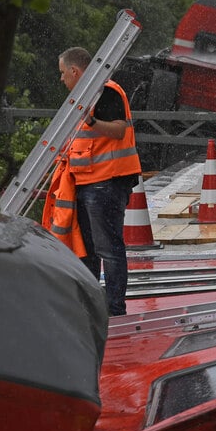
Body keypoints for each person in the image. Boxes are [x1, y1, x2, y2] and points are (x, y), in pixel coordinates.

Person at [56, 46, 142, 317]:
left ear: (74, 71)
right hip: (88, 182)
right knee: (89, 249)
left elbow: (119, 130)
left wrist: (91, 121)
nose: (61, 80)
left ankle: (114, 308)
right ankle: (95, 306)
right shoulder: (84, 98)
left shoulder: (105, 91)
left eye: (62, 73)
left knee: (108, 248)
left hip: (106, 182)